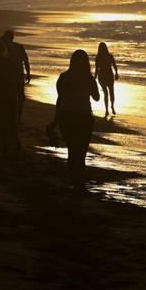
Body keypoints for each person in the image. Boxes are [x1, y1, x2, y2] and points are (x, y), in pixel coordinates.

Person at [56, 49, 100, 191]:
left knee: (72, 150)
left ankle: (74, 179)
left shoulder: (64, 77)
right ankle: (78, 181)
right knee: (81, 152)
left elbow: (60, 99)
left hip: (67, 117)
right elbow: (97, 97)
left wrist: (55, 120)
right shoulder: (88, 78)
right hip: (84, 117)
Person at [0, 38, 22, 155]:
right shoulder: (9, 62)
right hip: (10, 95)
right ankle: (15, 144)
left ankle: (3, 144)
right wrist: (19, 93)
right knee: (12, 122)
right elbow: (16, 79)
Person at [1, 29, 31, 123]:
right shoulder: (19, 47)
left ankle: (13, 117)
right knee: (20, 97)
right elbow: (26, 60)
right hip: (18, 75)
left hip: (10, 76)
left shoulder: (4, 48)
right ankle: (17, 117)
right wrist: (28, 73)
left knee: (10, 96)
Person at [95, 42, 119, 118]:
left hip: (104, 75)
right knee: (109, 93)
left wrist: (116, 73)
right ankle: (108, 109)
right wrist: (94, 78)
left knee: (109, 93)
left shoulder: (100, 57)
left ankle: (110, 107)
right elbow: (96, 69)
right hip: (105, 75)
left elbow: (114, 65)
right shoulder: (107, 56)